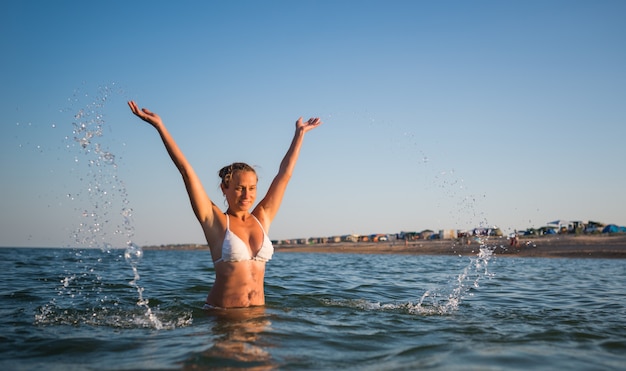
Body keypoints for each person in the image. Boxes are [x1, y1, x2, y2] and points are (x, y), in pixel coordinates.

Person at [128, 101, 322, 309]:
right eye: (239, 188)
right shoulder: (215, 221)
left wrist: (299, 135)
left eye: (252, 188)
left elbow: (284, 175)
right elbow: (186, 171)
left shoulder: (262, 217)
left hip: (257, 318)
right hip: (222, 316)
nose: (246, 195)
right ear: (224, 188)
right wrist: (160, 127)